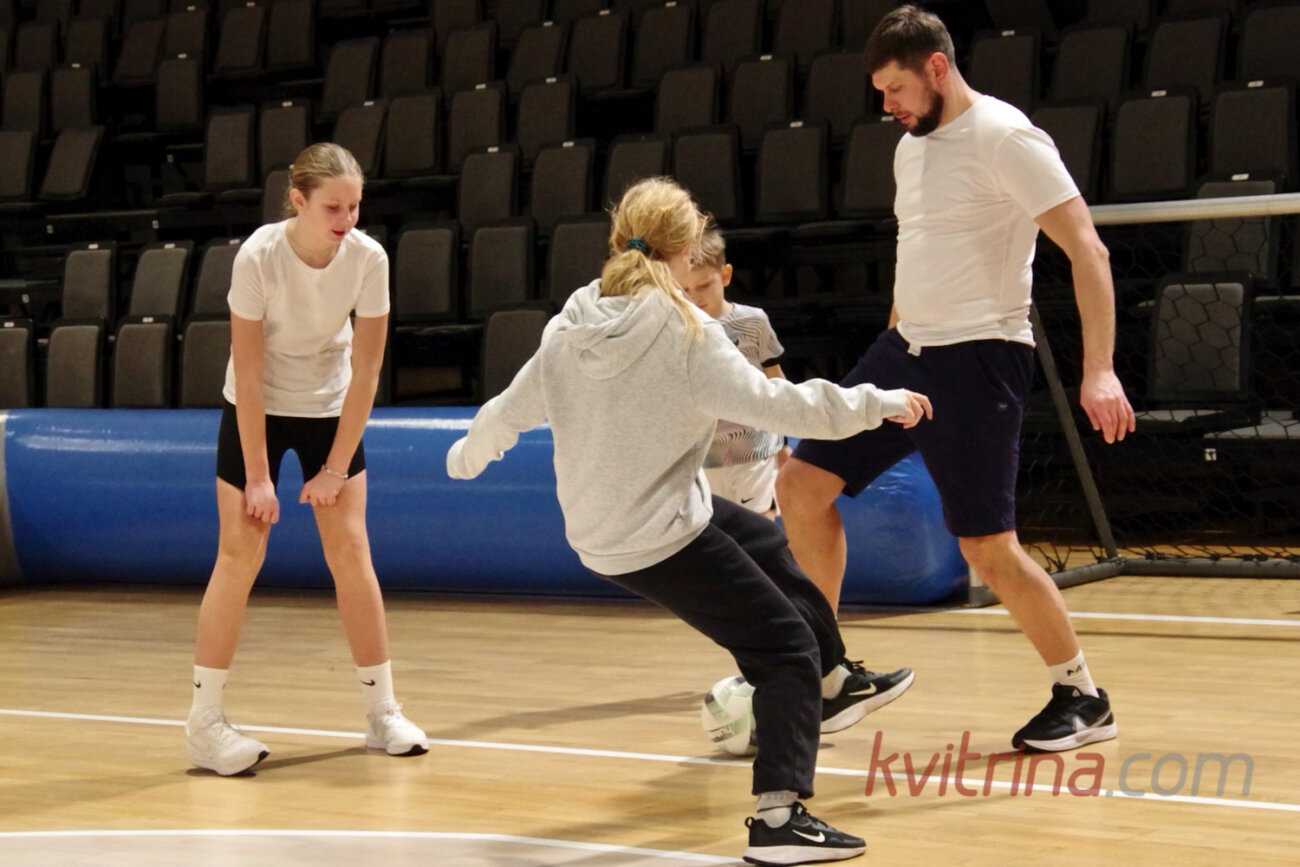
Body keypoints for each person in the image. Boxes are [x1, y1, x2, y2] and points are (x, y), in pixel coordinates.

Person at [445, 177, 932, 866]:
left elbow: (510, 409)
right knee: (783, 649)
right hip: (657, 536)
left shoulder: (569, 325)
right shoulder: (686, 333)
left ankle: (835, 681)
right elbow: (783, 407)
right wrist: (879, 402)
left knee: (768, 546)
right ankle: (780, 819)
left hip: (613, 524)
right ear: (687, 251)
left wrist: (466, 456)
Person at [776, 5, 1137, 754]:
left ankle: (1082, 694)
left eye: (896, 87)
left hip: (979, 359)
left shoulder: (1007, 137)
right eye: (881, 91)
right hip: (904, 351)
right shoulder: (910, 148)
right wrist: (890, 340)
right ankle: (827, 672)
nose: (888, 104)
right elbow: (918, 252)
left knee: (986, 548)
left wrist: (1099, 369)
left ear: (937, 68)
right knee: (800, 483)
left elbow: (1088, 251)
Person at [185, 143, 428, 776]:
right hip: (257, 405)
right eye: (332, 208)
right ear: (298, 201)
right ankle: (204, 725)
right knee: (240, 552)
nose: (347, 219)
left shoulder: (368, 258)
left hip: (330, 406)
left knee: (351, 549)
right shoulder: (258, 255)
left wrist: (335, 468)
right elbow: (249, 368)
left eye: (354, 206)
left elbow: (367, 370)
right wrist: (258, 477)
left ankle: (383, 713)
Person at [681, 227, 792, 518]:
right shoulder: (676, 330)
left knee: (761, 529)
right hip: (702, 458)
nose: (695, 297)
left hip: (755, 449)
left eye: (704, 285)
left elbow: (776, 381)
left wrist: (783, 444)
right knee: (715, 534)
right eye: (685, 290)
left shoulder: (754, 322)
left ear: (725, 275)